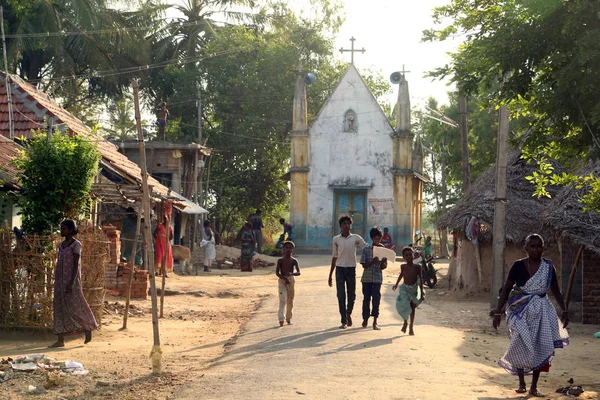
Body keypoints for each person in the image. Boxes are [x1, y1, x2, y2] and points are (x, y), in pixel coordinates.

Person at [492, 234, 569, 397]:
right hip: (519, 309)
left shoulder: (548, 268)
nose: (536, 249)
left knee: (539, 346)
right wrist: (498, 312)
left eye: (539, 246)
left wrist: (564, 310)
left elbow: (555, 290)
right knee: (520, 341)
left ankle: (534, 387)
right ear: (525, 248)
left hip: (541, 310)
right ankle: (521, 383)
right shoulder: (518, 266)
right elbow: (506, 289)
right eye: (533, 246)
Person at [50, 220, 98, 348]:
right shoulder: (61, 245)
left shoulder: (76, 245)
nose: (62, 231)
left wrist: (71, 282)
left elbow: (76, 264)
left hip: (72, 281)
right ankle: (60, 340)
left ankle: (88, 327)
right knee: (59, 307)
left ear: (71, 230)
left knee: (76, 305)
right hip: (60, 281)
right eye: (61, 229)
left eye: (64, 229)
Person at [328, 215, 367, 329]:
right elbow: (334, 257)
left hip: (351, 269)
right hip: (339, 269)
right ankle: (343, 320)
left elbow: (366, 247)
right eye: (344, 223)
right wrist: (330, 275)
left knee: (352, 295)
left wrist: (378, 248)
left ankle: (348, 313)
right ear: (340, 225)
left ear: (351, 225)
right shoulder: (336, 239)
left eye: (348, 223)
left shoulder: (355, 238)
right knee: (341, 295)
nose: (346, 225)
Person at [360, 226, 388, 330]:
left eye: (379, 238)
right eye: (375, 238)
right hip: (366, 278)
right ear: (372, 238)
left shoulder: (383, 250)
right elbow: (364, 265)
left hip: (377, 278)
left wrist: (384, 261)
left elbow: (383, 267)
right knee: (366, 299)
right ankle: (365, 319)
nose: (377, 240)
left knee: (376, 299)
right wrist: (373, 261)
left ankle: (375, 321)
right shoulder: (366, 249)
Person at [393, 246, 424, 336]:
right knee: (405, 305)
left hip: (414, 288)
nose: (409, 256)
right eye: (406, 255)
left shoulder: (417, 267)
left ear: (413, 255)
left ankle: (411, 326)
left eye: (410, 254)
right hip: (405, 288)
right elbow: (401, 275)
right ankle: (405, 322)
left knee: (412, 307)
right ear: (404, 257)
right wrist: (396, 284)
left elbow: (421, 280)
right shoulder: (403, 266)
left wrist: (421, 293)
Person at [275, 241, 300, 327]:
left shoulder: (294, 261)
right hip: (282, 280)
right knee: (283, 299)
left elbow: (298, 272)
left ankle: (288, 318)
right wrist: (284, 278)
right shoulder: (280, 260)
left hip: (291, 281)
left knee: (290, 300)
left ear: (293, 250)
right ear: (283, 249)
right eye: (287, 248)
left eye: (290, 248)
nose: (288, 250)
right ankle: (281, 319)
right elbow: (277, 273)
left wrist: (291, 274)